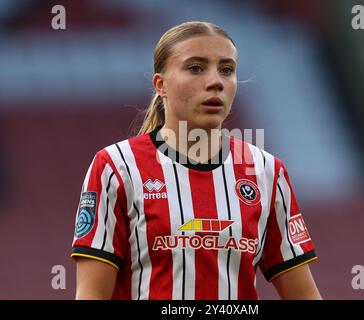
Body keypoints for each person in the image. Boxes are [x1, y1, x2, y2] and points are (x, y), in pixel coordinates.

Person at [71, 21, 321, 300]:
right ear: (160, 85)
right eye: (196, 68)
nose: (215, 81)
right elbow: (91, 295)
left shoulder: (266, 171)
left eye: (227, 70)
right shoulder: (116, 166)